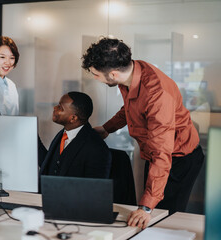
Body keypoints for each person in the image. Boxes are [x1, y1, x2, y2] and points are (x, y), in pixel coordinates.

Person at [82, 37, 204, 229]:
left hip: (179, 158)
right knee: (151, 211)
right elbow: (130, 109)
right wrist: (107, 128)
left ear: (113, 74)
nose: (95, 79)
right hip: (157, 154)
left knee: (163, 218)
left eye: (96, 75)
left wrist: (146, 207)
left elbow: (162, 154)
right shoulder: (132, 71)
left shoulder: (157, 95)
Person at [39, 91, 112, 179]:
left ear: (73, 118)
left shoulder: (97, 148)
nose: (55, 108)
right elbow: (49, 166)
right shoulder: (62, 134)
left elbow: (94, 189)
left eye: (60, 107)